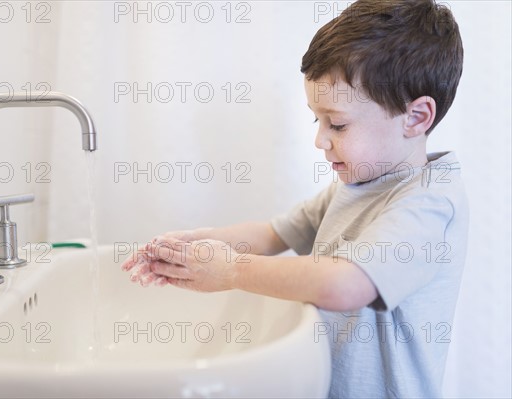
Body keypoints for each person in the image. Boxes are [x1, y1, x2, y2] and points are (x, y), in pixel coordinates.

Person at [121, 0, 467, 397]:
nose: (320, 140)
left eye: (336, 123)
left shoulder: (430, 203)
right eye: (316, 120)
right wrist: (196, 245)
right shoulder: (358, 184)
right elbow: (274, 234)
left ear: (416, 117)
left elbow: (347, 284)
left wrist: (232, 270)